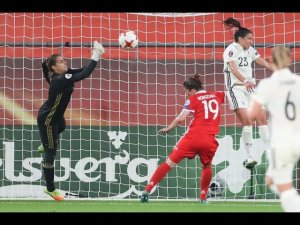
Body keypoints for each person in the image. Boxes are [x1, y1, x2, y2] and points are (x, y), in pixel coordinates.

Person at [140, 74, 225, 203]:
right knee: (206, 166)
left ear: (193, 91)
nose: (186, 95)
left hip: (192, 137)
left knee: (169, 163)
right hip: (209, 139)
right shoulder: (217, 95)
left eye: (186, 92)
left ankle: (147, 190)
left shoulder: (193, 99)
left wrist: (169, 128)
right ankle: (203, 198)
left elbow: (180, 118)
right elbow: (230, 93)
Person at [37, 41, 105, 201]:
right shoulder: (61, 79)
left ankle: (45, 143)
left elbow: (82, 70)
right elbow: (84, 75)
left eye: (64, 60)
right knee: (50, 153)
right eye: (61, 61)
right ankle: (50, 189)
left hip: (57, 118)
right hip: (48, 119)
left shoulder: (65, 75)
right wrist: (96, 55)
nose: (65, 62)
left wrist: (96, 56)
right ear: (53, 67)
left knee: (61, 127)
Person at [248, 46, 300, 212]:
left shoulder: (268, 84)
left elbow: (252, 114)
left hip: (281, 142)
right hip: (298, 138)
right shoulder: (299, 81)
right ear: (290, 59)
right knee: (271, 180)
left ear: (270, 60)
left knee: (284, 188)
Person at [223, 17, 273, 168]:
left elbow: (261, 61)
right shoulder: (231, 50)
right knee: (247, 121)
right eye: (249, 39)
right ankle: (250, 156)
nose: (251, 41)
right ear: (240, 38)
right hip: (237, 88)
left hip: (250, 88)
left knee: (262, 118)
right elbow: (233, 68)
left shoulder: (249, 49)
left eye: (252, 39)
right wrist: (245, 80)